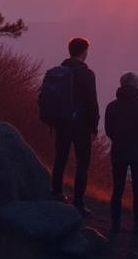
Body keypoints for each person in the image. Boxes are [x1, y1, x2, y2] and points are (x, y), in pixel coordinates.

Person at [41, 37, 100, 216]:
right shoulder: (87, 74)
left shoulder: (59, 70)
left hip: (61, 122)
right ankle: (79, 202)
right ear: (83, 52)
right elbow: (92, 102)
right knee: (82, 163)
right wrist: (94, 125)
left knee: (61, 158)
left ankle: (57, 193)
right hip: (81, 125)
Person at [103, 71, 138, 234]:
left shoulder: (112, 106)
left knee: (117, 188)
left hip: (118, 151)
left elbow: (108, 130)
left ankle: (116, 223)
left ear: (121, 85)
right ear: (137, 85)